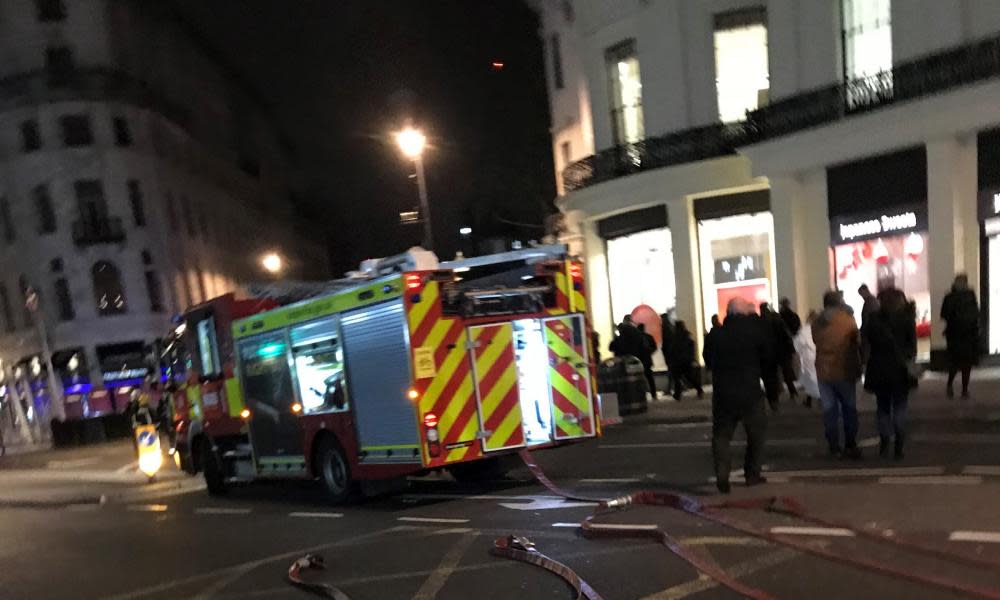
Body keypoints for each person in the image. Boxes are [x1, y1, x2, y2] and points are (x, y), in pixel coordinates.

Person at [703, 298, 770, 494]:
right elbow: (766, 357)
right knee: (756, 435)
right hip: (750, 391)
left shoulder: (716, 334)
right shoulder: (754, 332)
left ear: (728, 312)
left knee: (722, 436)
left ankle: (722, 475)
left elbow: (708, 359)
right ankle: (752, 474)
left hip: (724, 392)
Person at [861, 287, 916, 459]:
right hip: (899, 370)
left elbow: (866, 340)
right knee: (899, 407)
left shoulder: (874, 319)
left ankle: (885, 441)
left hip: (879, 368)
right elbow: (912, 348)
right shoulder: (906, 319)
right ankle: (899, 445)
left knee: (883, 407)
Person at [812, 290, 863, 459]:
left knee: (829, 411)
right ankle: (850, 444)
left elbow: (816, 340)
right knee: (849, 409)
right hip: (843, 369)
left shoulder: (817, 322)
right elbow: (856, 340)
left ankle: (833, 446)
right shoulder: (847, 319)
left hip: (823, 371)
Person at [940, 274, 980, 398]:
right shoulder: (970, 295)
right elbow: (976, 313)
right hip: (969, 334)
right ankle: (964, 389)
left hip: (954, 334)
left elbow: (944, 315)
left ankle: (950, 385)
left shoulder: (949, 297)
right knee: (966, 363)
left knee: (954, 361)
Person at [760, 302, 797, 410]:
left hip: (769, 352)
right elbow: (785, 333)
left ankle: (774, 399)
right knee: (786, 371)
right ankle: (791, 391)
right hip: (782, 350)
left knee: (770, 376)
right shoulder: (776, 317)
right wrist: (790, 347)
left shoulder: (761, 321)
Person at [668, 321, 703, 400]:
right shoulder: (687, 335)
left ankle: (678, 394)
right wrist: (692, 358)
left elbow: (673, 349)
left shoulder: (675, 336)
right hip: (686, 360)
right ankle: (698, 389)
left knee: (677, 377)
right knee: (688, 376)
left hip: (678, 361)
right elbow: (691, 346)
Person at [793, 310, 820, 407]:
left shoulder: (805, 330)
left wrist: (799, 352)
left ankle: (812, 399)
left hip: (809, 357)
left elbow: (798, 344)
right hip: (820, 356)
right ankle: (815, 399)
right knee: (817, 378)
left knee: (811, 379)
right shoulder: (822, 328)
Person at [636, 323, 658, 398]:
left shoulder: (637, 338)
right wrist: (650, 352)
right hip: (647, 360)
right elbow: (654, 347)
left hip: (640, 360)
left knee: (641, 378)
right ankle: (653, 393)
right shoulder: (648, 337)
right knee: (649, 377)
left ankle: (643, 393)